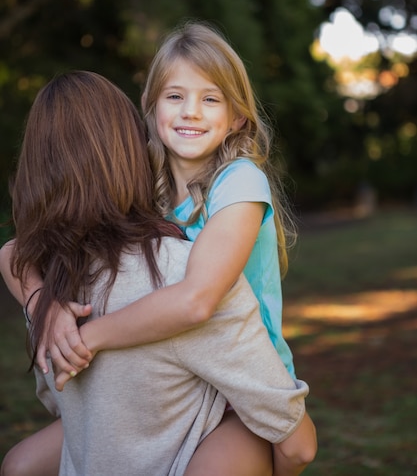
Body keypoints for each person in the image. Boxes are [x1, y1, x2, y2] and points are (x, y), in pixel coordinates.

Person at [0, 71, 316, 476]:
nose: (191, 113)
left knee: (18, 465)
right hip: (245, 382)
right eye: (175, 97)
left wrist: (47, 307)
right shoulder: (177, 268)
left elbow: (17, 255)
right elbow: (300, 448)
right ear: (135, 143)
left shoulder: (51, 288)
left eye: (210, 100)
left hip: (193, 407)